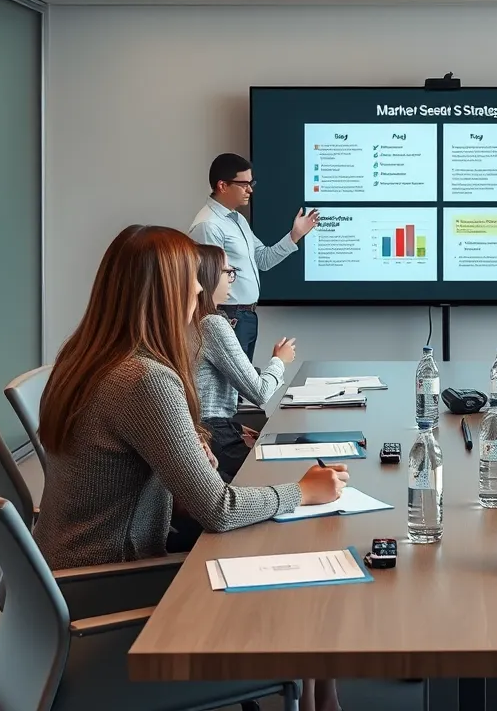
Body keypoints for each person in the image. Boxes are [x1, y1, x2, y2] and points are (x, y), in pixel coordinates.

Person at [33, 225, 344, 711]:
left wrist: (186, 446)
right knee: (294, 557)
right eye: (192, 284)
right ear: (164, 293)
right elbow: (217, 509)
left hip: (58, 575)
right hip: (107, 584)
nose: (201, 291)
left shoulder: (83, 357)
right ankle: (317, 695)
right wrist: (303, 491)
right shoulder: (144, 379)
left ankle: (321, 695)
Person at [189, 153, 318, 359]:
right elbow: (208, 281)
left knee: (242, 389)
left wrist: (295, 235)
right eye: (244, 184)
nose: (250, 189)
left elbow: (263, 260)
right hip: (227, 317)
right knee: (234, 389)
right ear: (222, 185)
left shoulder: (237, 219)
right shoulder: (208, 225)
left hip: (246, 316)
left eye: (252, 183)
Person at [194, 244, 295, 481]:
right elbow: (260, 393)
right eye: (227, 272)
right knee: (283, 473)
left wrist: (237, 429)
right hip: (213, 434)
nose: (232, 279)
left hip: (209, 431)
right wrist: (279, 361)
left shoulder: (192, 321)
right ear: (208, 277)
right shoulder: (212, 324)